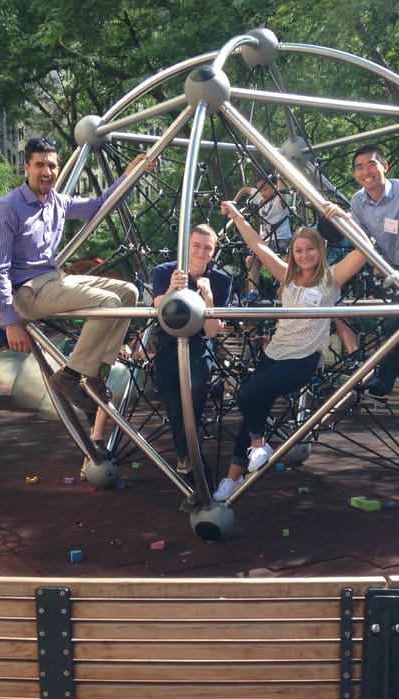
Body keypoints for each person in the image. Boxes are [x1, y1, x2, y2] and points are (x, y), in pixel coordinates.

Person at [0, 136, 154, 413]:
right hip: (26, 291)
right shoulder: (7, 209)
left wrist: (129, 176)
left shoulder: (58, 202)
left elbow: (100, 205)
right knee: (108, 303)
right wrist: (9, 322)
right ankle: (71, 375)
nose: (47, 172)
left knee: (128, 292)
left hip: (54, 279)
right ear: (26, 167)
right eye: (39, 165)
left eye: (52, 165)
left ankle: (98, 371)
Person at [214, 200, 368, 502]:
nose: (304, 255)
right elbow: (258, 246)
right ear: (292, 253)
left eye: (310, 249)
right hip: (273, 355)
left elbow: (364, 250)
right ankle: (233, 478)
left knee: (246, 395)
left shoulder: (331, 277)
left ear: (319, 250)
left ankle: (259, 446)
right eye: (299, 250)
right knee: (253, 413)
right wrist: (237, 216)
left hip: (303, 359)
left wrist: (345, 218)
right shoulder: (286, 275)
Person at [324, 145, 399, 408]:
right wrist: (344, 218)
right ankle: (381, 388)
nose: (366, 171)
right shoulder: (358, 201)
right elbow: (361, 239)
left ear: (385, 166)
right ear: (355, 174)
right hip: (396, 271)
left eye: (371, 164)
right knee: (393, 331)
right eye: (359, 167)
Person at [151, 223, 233, 483]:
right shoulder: (164, 272)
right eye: (196, 246)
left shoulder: (221, 280)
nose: (200, 253)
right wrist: (172, 290)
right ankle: (188, 456)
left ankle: (189, 458)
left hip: (199, 345)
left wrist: (208, 297)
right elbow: (160, 312)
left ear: (213, 252)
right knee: (173, 400)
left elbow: (211, 331)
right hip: (168, 343)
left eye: (207, 248)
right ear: (186, 246)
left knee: (195, 389)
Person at [234, 174, 292, 302]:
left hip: (281, 240)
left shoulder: (280, 199)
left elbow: (282, 194)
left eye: (265, 189)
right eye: (260, 189)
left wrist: (278, 176)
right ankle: (254, 292)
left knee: (258, 257)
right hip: (265, 242)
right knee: (250, 260)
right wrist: (234, 202)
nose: (262, 193)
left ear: (274, 186)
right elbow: (245, 189)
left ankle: (285, 292)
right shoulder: (260, 197)